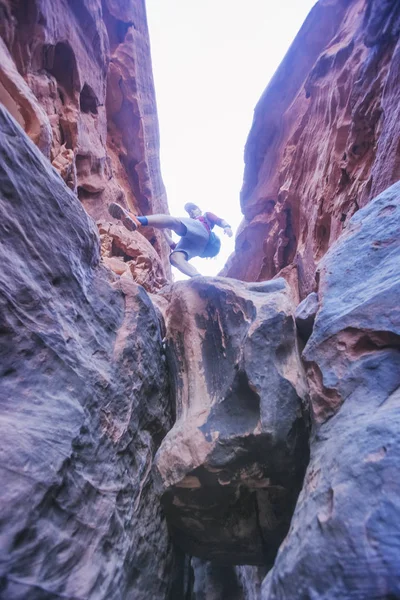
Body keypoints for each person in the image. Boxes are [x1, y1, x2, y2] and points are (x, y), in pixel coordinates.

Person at [108, 202, 233, 277]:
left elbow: (218, 220)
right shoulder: (191, 228)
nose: (192, 212)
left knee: (174, 222)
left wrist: (227, 226)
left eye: (193, 209)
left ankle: (137, 220)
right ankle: (197, 277)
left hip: (204, 233)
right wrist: (164, 232)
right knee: (175, 258)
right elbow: (174, 246)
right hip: (198, 248)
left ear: (199, 209)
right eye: (190, 211)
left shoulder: (203, 217)